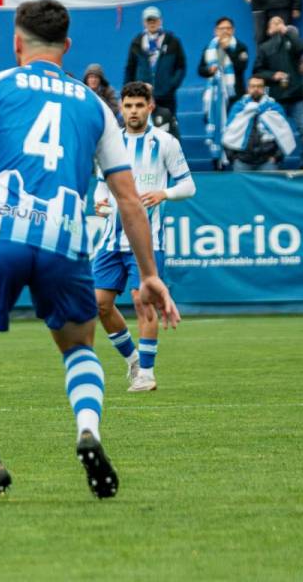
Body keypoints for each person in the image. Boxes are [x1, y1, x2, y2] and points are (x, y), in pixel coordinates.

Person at [0, 0, 178, 502]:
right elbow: (128, 198)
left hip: (2, 232)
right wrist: (150, 274)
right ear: (66, 46)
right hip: (65, 240)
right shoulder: (96, 106)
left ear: (16, 42)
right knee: (78, 348)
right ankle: (88, 429)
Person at [92, 82, 194, 394]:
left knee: (142, 299)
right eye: (128, 106)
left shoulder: (165, 142)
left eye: (139, 105)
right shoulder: (109, 143)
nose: (133, 111)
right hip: (111, 240)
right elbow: (101, 185)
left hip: (148, 241)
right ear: (120, 108)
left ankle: (147, 373)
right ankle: (134, 360)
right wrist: (100, 202)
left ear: (150, 107)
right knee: (99, 305)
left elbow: (188, 186)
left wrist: (164, 193)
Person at [253, 15, 303, 166]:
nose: (277, 24)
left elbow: (302, 47)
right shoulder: (264, 47)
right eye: (273, 22)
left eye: (280, 22)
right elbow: (257, 71)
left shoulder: (292, 41)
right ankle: (278, 162)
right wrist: (273, 75)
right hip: (277, 97)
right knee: (277, 131)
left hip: (297, 95)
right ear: (268, 30)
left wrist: (287, 31)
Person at [198, 16, 251, 168]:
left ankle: (233, 160)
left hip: (234, 96)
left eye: (228, 28)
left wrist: (228, 49)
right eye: (222, 28)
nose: (225, 31)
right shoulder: (209, 48)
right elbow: (200, 70)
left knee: (233, 129)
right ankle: (217, 160)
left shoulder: (239, 47)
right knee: (215, 126)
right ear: (216, 31)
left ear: (233, 30)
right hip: (215, 97)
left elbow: (241, 67)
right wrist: (209, 70)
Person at [123, 6, 186, 119]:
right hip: (142, 96)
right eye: (149, 20)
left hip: (166, 96)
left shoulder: (172, 41)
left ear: (160, 21)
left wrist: (171, 85)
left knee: (168, 125)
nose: (152, 23)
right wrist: (128, 91)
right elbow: (130, 68)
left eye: (155, 20)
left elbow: (181, 66)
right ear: (144, 22)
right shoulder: (136, 43)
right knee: (143, 124)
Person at [223, 75, 295, 171]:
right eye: (253, 86)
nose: (256, 89)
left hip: (268, 162)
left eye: (259, 86)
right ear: (248, 89)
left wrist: (276, 157)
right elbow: (228, 133)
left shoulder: (274, 108)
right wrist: (233, 158)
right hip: (242, 161)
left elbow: (284, 134)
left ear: (264, 89)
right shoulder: (238, 108)